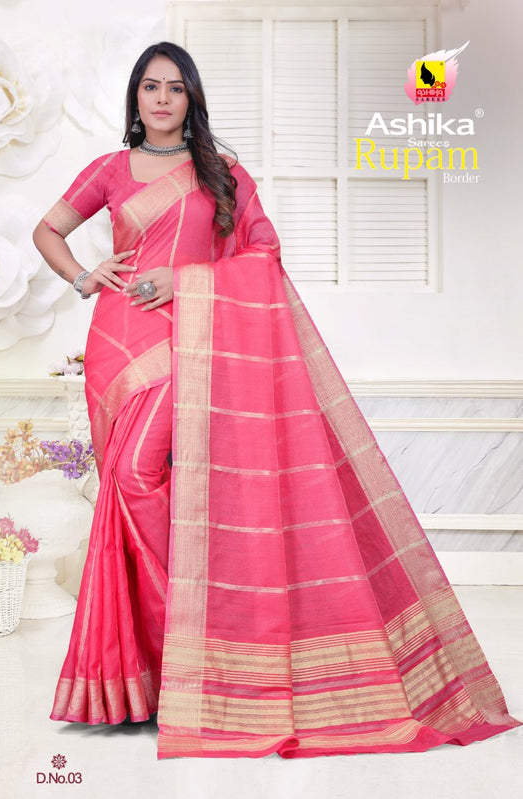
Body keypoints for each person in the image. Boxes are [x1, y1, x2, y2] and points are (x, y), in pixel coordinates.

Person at [33, 41, 520, 760]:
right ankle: (164, 669)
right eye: (150, 87)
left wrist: (184, 281)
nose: (161, 99)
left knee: (145, 479)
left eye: (175, 88)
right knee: (129, 487)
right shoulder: (108, 169)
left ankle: (207, 646)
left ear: (192, 99)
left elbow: (263, 255)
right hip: (118, 343)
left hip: (194, 340)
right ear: (135, 97)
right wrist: (83, 276)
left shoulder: (222, 175)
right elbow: (47, 230)